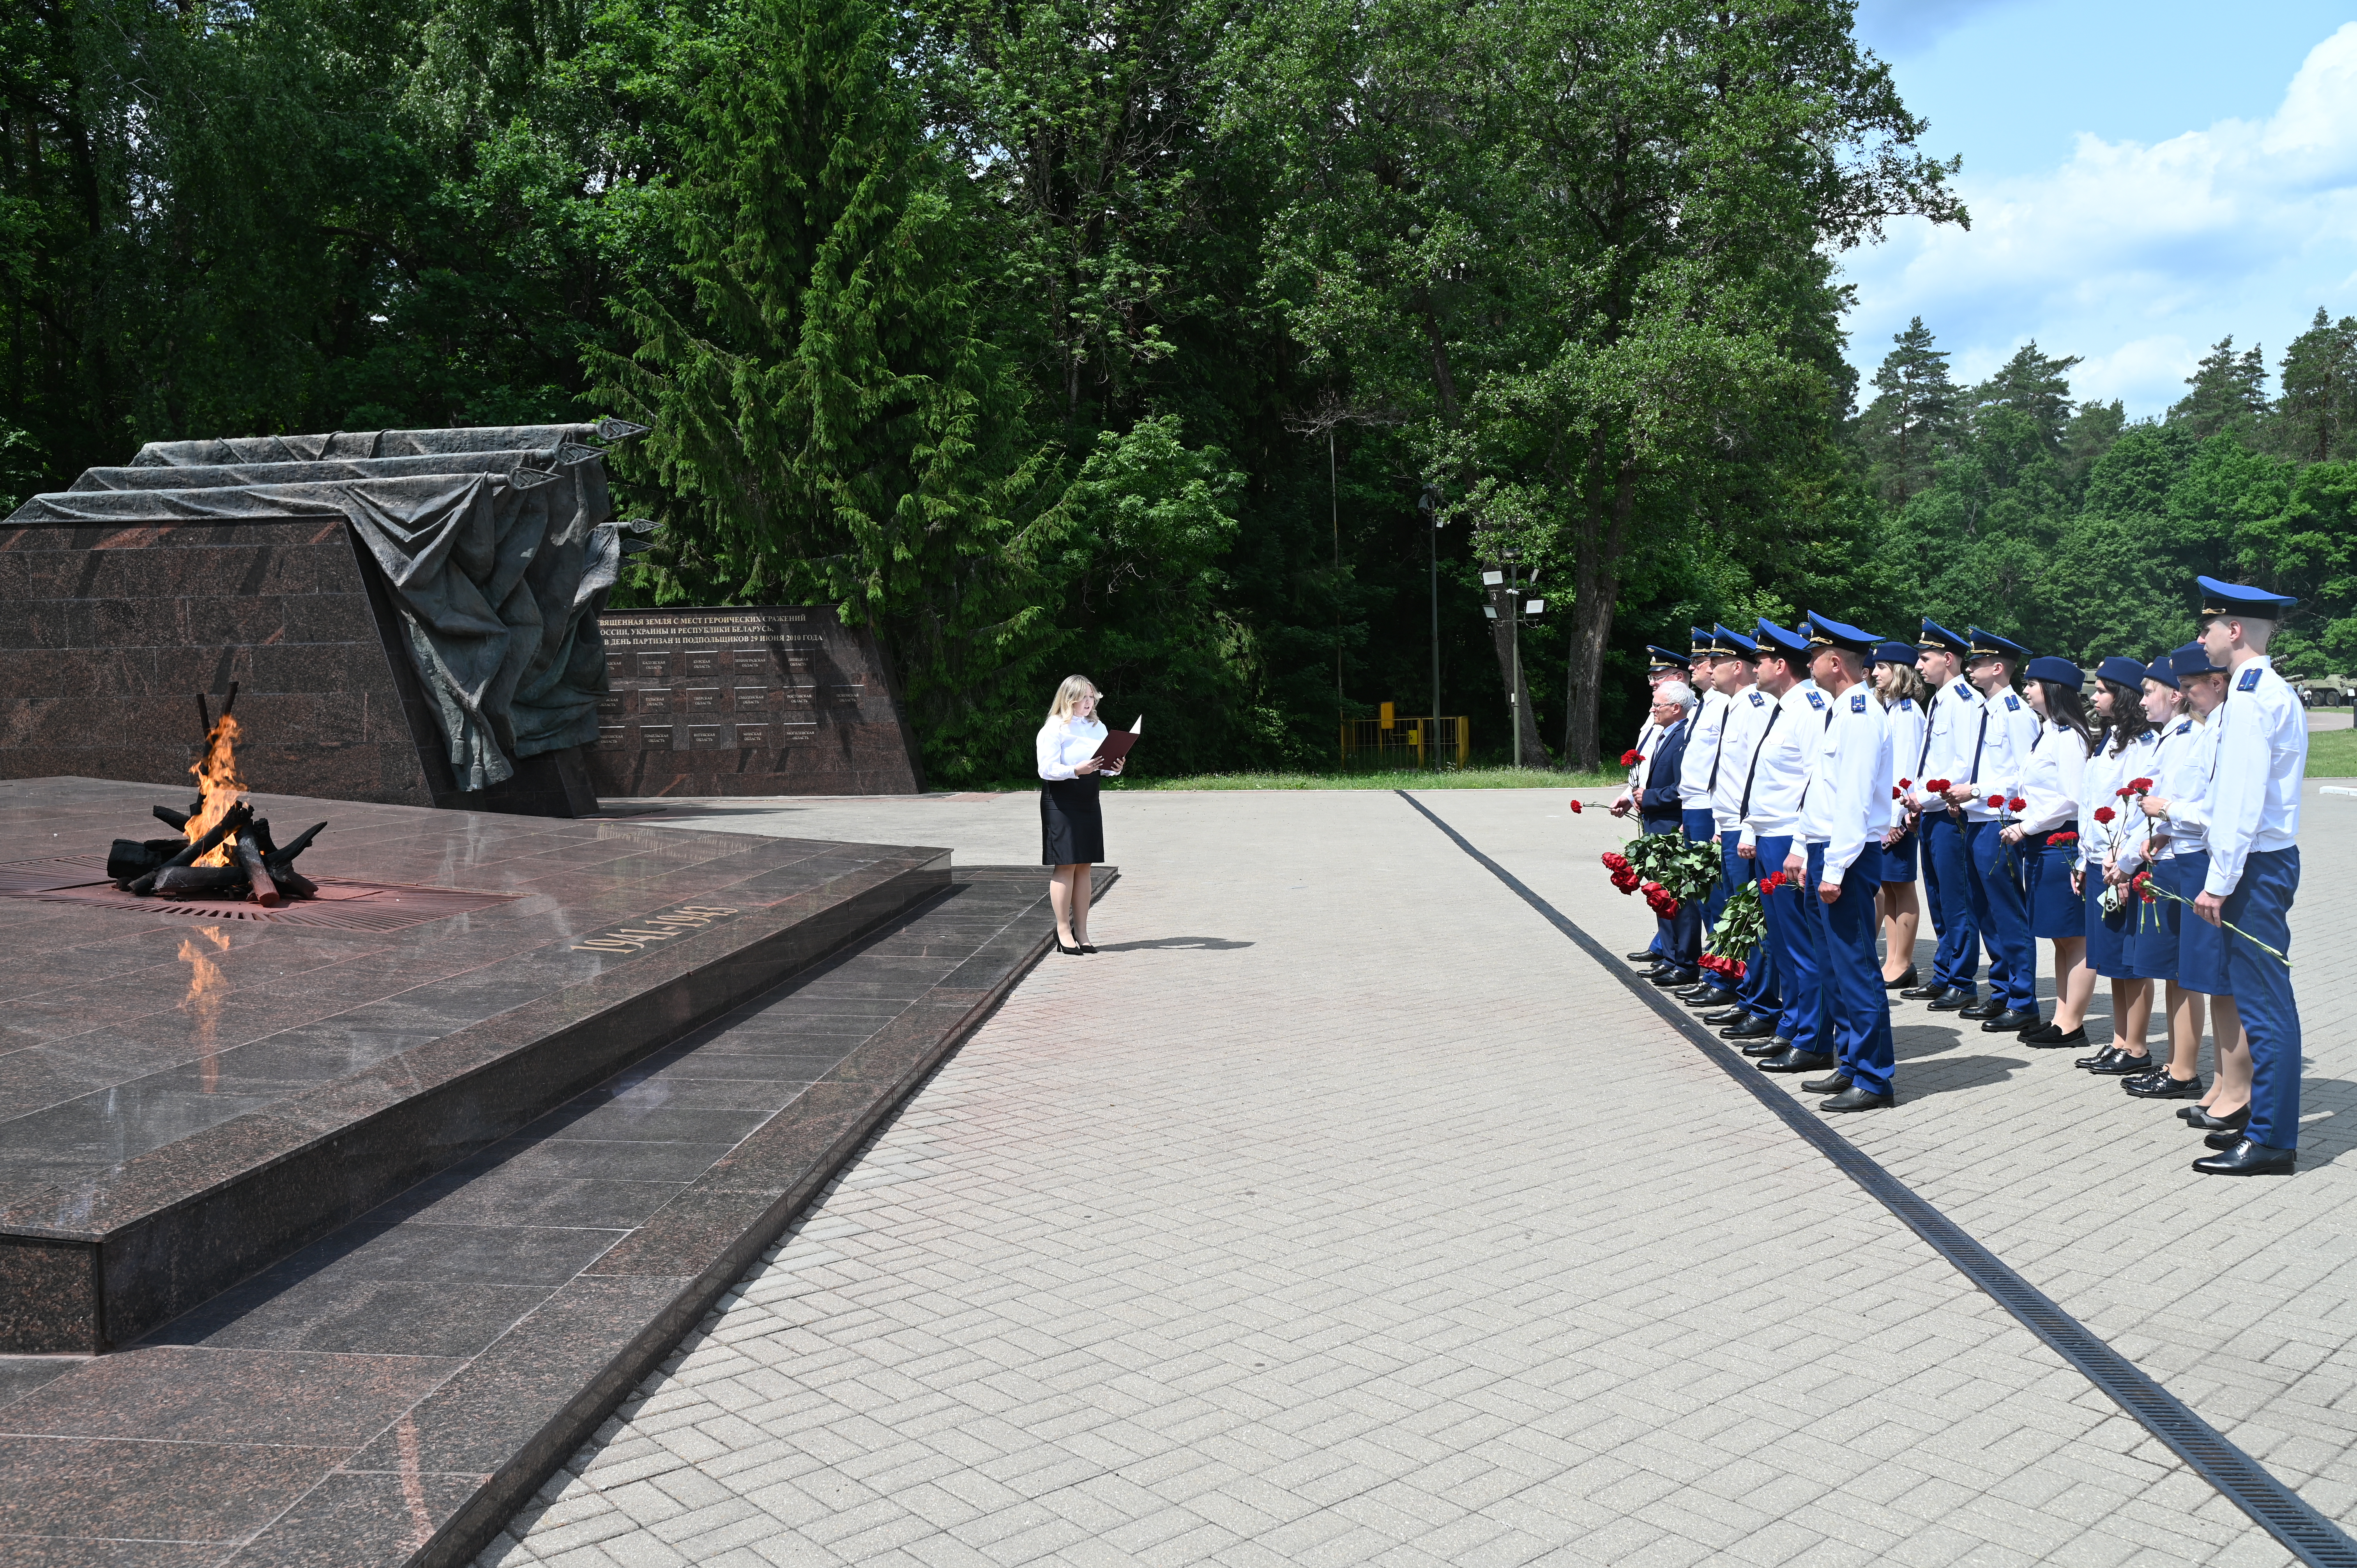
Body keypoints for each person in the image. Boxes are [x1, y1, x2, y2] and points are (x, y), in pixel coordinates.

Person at [2188, 578, 2306, 1176]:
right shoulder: (2257, 691)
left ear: (2234, 630)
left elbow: (2240, 802)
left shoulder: (2255, 697)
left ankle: (2271, 1140)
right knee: (2261, 1001)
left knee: (2264, 1006)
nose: (2201, 636)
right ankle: (2264, 1123)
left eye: (2208, 626)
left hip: (2254, 867)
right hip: (2259, 864)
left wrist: (2219, 879)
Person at [2118, 644, 2250, 1132]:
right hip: (2188, 854)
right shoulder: (2209, 727)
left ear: (2216, 682)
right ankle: (2222, 1084)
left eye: (2190, 685)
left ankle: (2234, 1089)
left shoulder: (2216, 728)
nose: (2184, 693)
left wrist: (2169, 811)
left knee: (2219, 979)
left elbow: (2214, 808)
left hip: (2205, 860)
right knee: (2207, 978)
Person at [1777, 614, 1899, 1110]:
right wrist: (1806, 848)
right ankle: (1849, 1062)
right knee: (1833, 966)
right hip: (1827, 848)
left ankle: (1874, 1078)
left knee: (1856, 968)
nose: (1808, 666)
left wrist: (1833, 868)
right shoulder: (1839, 711)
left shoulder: (1861, 715)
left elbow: (1852, 799)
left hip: (1847, 854)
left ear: (1834, 663)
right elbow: (1821, 793)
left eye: (1813, 658)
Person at [1743, 620, 1836, 1072]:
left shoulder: (1810, 708)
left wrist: (1800, 843)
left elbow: (1818, 782)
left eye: (1759, 660)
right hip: (1769, 835)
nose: (1753, 666)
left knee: (1802, 946)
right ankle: (1793, 1025)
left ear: (1781, 665)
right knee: (1782, 942)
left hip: (1789, 838)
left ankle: (1815, 1039)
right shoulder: (1785, 706)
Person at [1940, 629, 2043, 1033]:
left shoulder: (2016, 713)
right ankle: (2002, 991)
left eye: (1978, 663)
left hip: (2000, 822)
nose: (1971, 669)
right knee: (1985, 912)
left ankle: (2023, 999)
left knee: (2007, 912)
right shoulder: (1988, 709)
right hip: (1978, 819)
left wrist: (1977, 790)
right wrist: (1961, 796)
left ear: (1998, 668)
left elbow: (2023, 778)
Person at [2061, 655, 2159, 1065]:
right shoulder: (2111, 737)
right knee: (2112, 956)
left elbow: (2135, 809)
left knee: (2131, 957)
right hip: (2101, 860)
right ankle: (2120, 1040)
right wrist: (2084, 860)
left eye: (2102, 690)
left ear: (2124, 696)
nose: (2095, 696)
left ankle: (2136, 1045)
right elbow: (2092, 805)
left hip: (2122, 863)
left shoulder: (2142, 744)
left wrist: (2125, 863)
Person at [2002, 656, 2096, 1046]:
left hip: (2062, 844)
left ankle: (2073, 1023)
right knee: (2060, 937)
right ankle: (2061, 1017)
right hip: (2042, 844)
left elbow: (2072, 800)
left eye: (2033, 684)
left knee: (2075, 937)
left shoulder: (2071, 736)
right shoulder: (2048, 732)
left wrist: (2028, 826)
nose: (2025, 690)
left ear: (2054, 689)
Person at [1703, 627, 1787, 1040]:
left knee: (1756, 920)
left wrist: (1748, 826)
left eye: (1715, 663)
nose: (1706, 668)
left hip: (1747, 828)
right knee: (1744, 919)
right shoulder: (1733, 706)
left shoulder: (1754, 707)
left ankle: (1763, 1004)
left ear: (1736, 667)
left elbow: (1759, 776)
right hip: (1732, 825)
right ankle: (1750, 997)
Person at [1903, 622, 1983, 1012]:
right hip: (1934, 812)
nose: (1918, 666)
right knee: (1936, 895)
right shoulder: (1939, 699)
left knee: (1956, 899)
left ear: (1947, 659)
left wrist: (1922, 797)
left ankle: (1963, 979)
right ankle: (1945, 971)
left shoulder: (1965, 700)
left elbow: (1964, 767)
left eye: (1925, 657)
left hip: (1952, 814)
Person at [1616, 645, 1694, 963]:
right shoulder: (1658, 713)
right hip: (1649, 806)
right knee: (1659, 884)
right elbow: (1645, 760)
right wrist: (1628, 793)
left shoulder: (1687, 715)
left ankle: (1678, 955)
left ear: (1678, 677)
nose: (1652, 683)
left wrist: (1649, 797)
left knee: (1677, 888)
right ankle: (1666, 947)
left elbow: (1686, 779)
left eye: (1658, 677)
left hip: (1669, 812)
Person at [1674, 632, 1740, 1007]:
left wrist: (1714, 820)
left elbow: (1722, 768)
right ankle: (1714, 970)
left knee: (1716, 899)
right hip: (1696, 806)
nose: (1699, 669)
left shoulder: (1722, 705)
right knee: (1703, 895)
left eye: (1704, 663)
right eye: (1703, 663)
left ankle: (1722, 976)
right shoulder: (1704, 704)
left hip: (1712, 809)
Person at [1035, 674, 1122, 954]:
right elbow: (1046, 769)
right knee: (1066, 864)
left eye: (1092, 697)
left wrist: (1115, 767)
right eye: (1084, 698)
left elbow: (1103, 766)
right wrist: (1075, 770)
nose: (1089, 702)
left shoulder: (1098, 727)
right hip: (1061, 799)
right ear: (1069, 698)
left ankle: (1082, 932)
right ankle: (1063, 931)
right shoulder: (1054, 728)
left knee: (1085, 865)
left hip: (1088, 798)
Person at [1634, 682, 1701, 987]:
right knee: (1663, 895)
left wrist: (1648, 798)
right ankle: (1670, 957)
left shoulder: (1683, 737)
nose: (1652, 710)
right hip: (1658, 826)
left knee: (1679, 899)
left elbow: (1682, 788)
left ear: (1676, 708)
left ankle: (1685, 963)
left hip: (1671, 827)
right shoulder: (1668, 734)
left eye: (1658, 706)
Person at [1871, 642, 1928, 988]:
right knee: (1889, 888)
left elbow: (1905, 772)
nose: (1875, 673)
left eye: (1883, 668)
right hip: (1886, 816)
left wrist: (1895, 820)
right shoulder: (1892, 709)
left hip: (1899, 816)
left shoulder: (1908, 713)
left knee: (1902, 886)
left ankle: (1903, 962)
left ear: (1900, 672)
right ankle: (1892, 959)